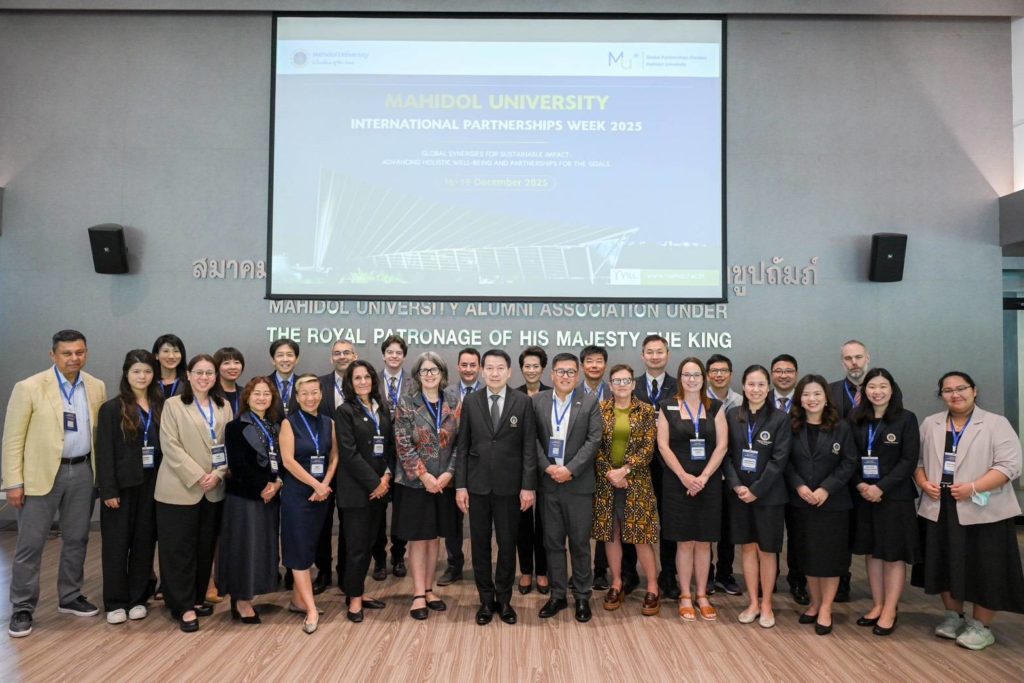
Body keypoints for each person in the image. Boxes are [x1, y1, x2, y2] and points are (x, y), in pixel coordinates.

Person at [3, 330, 107, 638]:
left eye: (80, 352)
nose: (74, 358)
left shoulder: (96, 386)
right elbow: (12, 439)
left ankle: (70, 595)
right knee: (30, 544)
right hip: (40, 476)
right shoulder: (29, 387)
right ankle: (22, 607)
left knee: (77, 538)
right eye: (67, 353)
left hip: (83, 471)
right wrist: (13, 482)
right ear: (53, 355)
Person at [912, 371, 1024, 651]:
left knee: (985, 567)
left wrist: (974, 487)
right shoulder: (931, 424)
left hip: (983, 508)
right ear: (941, 395)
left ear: (974, 391)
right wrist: (923, 483)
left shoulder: (996, 423)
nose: (955, 394)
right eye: (948, 390)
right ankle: (954, 616)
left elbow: (1010, 466)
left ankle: (981, 626)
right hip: (940, 507)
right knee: (944, 562)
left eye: (961, 388)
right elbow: (918, 461)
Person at [456, 349, 537, 626]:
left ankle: (503, 599)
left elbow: (529, 448)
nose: (494, 373)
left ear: (509, 372)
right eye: (489, 368)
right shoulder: (471, 401)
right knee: (479, 545)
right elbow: (463, 447)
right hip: (477, 487)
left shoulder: (522, 402)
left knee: (507, 544)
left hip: (510, 488)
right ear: (482, 371)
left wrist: (528, 486)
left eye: (500, 368)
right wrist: (460, 486)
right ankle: (485, 600)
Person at [155, 354, 232, 632]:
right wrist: (199, 475)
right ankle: (182, 605)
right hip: (180, 488)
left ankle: (197, 598)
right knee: (179, 549)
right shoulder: (173, 405)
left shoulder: (223, 406)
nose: (204, 377)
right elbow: (170, 445)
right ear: (188, 375)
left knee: (204, 548)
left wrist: (218, 474)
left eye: (209, 373)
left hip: (213, 489)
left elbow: (228, 445)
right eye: (198, 372)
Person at [848, 368, 920, 636]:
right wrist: (860, 484)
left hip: (895, 497)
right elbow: (849, 457)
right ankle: (877, 604)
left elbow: (908, 460)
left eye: (883, 386)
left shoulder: (906, 419)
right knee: (872, 551)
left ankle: (890, 608)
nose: (877, 392)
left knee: (892, 554)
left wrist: (881, 487)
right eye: (872, 387)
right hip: (864, 495)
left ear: (892, 389)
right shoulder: (856, 419)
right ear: (864, 390)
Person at [657, 358, 729, 623]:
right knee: (685, 542)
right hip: (678, 484)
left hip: (708, 484)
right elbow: (663, 446)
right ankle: (685, 595)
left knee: (704, 541)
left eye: (696, 374)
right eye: (686, 375)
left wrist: (704, 477)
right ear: (680, 378)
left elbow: (722, 446)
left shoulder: (715, 407)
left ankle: (702, 595)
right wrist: (684, 477)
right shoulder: (667, 407)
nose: (691, 379)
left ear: (703, 378)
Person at [532, 353, 602, 623]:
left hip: (578, 485)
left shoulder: (590, 401)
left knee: (580, 543)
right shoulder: (537, 401)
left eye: (571, 372)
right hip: (549, 484)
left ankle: (582, 596)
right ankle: (558, 595)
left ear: (578, 374)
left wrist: (570, 469)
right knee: (552, 543)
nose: (565, 376)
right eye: (560, 371)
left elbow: (593, 440)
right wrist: (548, 468)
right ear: (551, 374)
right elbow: (532, 440)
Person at [785, 374, 857, 636]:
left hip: (833, 503)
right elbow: (785, 461)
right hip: (801, 502)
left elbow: (849, 462)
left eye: (817, 394)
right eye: (806, 394)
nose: (811, 399)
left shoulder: (842, 427)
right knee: (808, 556)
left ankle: (826, 607)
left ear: (826, 397)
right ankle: (815, 603)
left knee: (830, 558)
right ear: (799, 399)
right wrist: (799, 486)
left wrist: (826, 488)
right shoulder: (791, 426)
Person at [95, 350, 162, 625]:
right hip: (122, 487)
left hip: (153, 485)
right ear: (126, 374)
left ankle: (138, 599)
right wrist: (108, 490)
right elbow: (104, 451)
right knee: (116, 545)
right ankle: (115, 602)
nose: (142, 376)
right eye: (136, 371)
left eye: (147, 371)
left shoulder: (161, 405)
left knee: (144, 543)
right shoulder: (112, 408)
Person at [722, 365, 790, 629]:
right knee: (748, 548)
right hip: (740, 495)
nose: (756, 389)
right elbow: (726, 454)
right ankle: (752, 602)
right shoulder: (732, 415)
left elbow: (779, 460)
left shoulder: (780, 418)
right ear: (743, 386)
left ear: (768, 387)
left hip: (769, 496)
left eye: (761, 384)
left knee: (767, 550)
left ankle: (767, 604)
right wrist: (738, 486)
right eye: (751, 384)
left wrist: (756, 490)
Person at [394, 352, 460, 620]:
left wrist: (449, 473)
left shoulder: (453, 401)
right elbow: (402, 443)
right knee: (419, 538)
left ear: (442, 373)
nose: (430, 375)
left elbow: (460, 443)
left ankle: (430, 589)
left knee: (434, 538)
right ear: (417, 375)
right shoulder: (407, 402)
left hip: (444, 483)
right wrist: (424, 476)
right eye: (424, 371)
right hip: (415, 484)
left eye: (434, 370)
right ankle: (418, 593)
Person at [592, 364, 661, 616]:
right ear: (610, 385)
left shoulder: (646, 410)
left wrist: (625, 470)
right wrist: (611, 472)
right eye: (617, 381)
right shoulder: (600, 410)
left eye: (626, 380)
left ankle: (652, 586)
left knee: (640, 537)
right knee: (612, 535)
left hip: (637, 482)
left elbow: (648, 448)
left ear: (633, 384)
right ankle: (616, 583)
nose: (621, 385)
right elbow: (595, 445)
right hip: (606, 482)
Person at [217, 377, 283, 625]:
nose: (261, 398)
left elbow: (282, 460)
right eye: (256, 393)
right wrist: (262, 487)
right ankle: (241, 600)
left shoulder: (275, 426)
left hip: (270, 497)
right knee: (243, 548)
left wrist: (277, 484)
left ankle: (251, 594)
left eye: (266, 394)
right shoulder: (235, 427)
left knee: (261, 548)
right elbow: (238, 465)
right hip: (244, 498)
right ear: (247, 397)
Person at [279, 374, 339, 634]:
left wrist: (324, 484)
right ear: (297, 396)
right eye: (304, 393)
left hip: (321, 495)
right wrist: (315, 485)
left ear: (321, 394)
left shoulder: (329, 423)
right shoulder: (289, 423)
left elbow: (334, 456)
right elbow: (288, 461)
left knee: (309, 546)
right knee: (299, 549)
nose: (310, 397)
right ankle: (311, 609)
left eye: (314, 392)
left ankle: (297, 600)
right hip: (298, 494)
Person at [335, 360, 393, 623]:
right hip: (357, 491)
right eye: (357, 378)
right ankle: (355, 600)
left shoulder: (381, 408)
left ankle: (356, 591)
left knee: (369, 544)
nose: (363, 382)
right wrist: (375, 483)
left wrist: (387, 477)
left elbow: (389, 446)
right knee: (356, 548)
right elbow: (349, 454)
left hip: (380, 489)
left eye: (367, 377)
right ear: (350, 382)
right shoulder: (345, 411)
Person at [312, 339, 358, 595]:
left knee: (350, 524)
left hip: (353, 466)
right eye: (337, 353)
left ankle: (345, 572)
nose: (342, 357)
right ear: (331, 358)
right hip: (324, 466)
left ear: (355, 355)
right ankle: (323, 571)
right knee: (322, 522)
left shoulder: (362, 384)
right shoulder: (319, 385)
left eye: (346, 352)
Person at [633, 334, 677, 598]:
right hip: (637, 465)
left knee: (668, 521)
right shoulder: (632, 385)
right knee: (631, 518)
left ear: (667, 355)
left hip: (668, 465)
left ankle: (668, 574)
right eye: (650, 352)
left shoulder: (679, 386)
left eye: (660, 352)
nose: (655, 356)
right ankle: (629, 572)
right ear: (642, 356)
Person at [828, 339, 872, 602]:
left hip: (872, 475)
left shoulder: (881, 387)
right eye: (848, 358)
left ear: (868, 358)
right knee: (839, 535)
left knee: (871, 535)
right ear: (842, 361)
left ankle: (881, 593)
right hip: (839, 475)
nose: (854, 363)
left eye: (858, 357)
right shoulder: (831, 391)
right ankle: (841, 582)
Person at [438, 347, 481, 587]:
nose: (468, 369)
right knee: (452, 520)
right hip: (452, 465)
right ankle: (454, 564)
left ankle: (481, 567)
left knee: (480, 520)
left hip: (480, 466)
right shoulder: (446, 393)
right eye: (464, 365)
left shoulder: (488, 392)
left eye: (473, 365)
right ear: (457, 366)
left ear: (479, 367)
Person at [769, 353, 806, 605]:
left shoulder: (806, 401)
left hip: (799, 479)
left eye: (789, 371)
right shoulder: (761, 400)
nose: (783, 375)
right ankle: (769, 579)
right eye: (779, 371)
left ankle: (797, 581)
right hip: (769, 479)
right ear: (772, 374)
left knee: (798, 534)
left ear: (796, 374)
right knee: (769, 534)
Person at [515, 346, 550, 596]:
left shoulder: (552, 394)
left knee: (546, 522)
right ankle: (526, 571)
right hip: (520, 467)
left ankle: (543, 572)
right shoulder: (514, 395)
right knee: (523, 523)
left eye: (535, 366)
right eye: (527, 366)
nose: (531, 370)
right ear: (521, 369)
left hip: (547, 466)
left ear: (543, 368)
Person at [705, 353, 741, 597]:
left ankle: (725, 574)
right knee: (706, 528)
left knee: (729, 529)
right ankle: (706, 575)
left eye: (723, 371)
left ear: (730, 374)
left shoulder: (741, 401)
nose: (719, 375)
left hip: (733, 475)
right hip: (706, 475)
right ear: (708, 375)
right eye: (714, 371)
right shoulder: (698, 401)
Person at [377, 334, 411, 579]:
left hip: (405, 455)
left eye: (398, 352)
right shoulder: (371, 380)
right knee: (377, 512)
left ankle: (398, 556)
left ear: (404, 357)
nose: (394, 356)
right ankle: (379, 559)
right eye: (390, 352)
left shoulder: (413, 382)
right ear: (383, 355)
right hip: (378, 455)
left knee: (402, 511)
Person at [267, 339, 300, 416]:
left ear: (296, 360)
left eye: (289, 355)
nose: (285, 359)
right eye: (280, 355)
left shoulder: (303, 384)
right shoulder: (264, 384)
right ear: (273, 360)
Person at [152, 333, 187, 399]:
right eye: (166, 351)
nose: (171, 356)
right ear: (156, 355)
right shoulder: (150, 381)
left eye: (176, 351)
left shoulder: (189, 381)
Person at [215, 347, 246, 417]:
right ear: (217, 367)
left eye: (237, 362)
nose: (233, 367)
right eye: (226, 363)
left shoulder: (246, 393)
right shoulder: (210, 393)